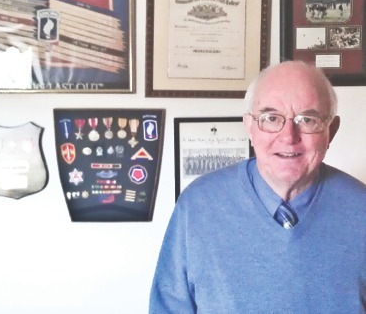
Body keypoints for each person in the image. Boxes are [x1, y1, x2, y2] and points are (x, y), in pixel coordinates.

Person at [149, 60, 366, 313]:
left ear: (332, 130)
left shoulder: (361, 209)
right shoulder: (197, 206)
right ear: (249, 126)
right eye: (271, 118)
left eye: (307, 120)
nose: (288, 137)